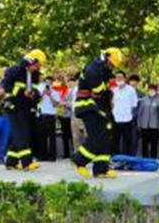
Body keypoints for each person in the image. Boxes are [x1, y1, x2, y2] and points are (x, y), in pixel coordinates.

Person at [72, 48, 121, 177]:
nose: (112, 67)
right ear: (106, 58)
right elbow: (98, 91)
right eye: (111, 64)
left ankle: (101, 169)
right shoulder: (93, 68)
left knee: (105, 137)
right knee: (96, 137)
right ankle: (79, 161)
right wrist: (104, 94)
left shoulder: (103, 69)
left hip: (99, 108)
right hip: (88, 107)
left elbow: (103, 93)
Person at [3, 50, 46, 171]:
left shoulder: (35, 74)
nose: (38, 68)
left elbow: (36, 89)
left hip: (26, 107)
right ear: (31, 61)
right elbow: (7, 87)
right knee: (22, 134)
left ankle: (11, 162)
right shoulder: (14, 71)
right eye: (37, 65)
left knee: (19, 133)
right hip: (13, 105)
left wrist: (34, 94)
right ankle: (26, 162)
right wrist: (23, 92)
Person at [110, 71, 138, 156]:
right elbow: (111, 104)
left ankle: (127, 158)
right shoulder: (113, 91)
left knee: (128, 141)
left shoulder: (131, 90)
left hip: (127, 119)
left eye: (121, 77)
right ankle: (116, 158)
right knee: (115, 141)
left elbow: (134, 104)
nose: (119, 79)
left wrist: (131, 115)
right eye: (117, 78)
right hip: (116, 119)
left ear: (125, 79)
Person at [36, 75, 61, 161]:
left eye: (50, 83)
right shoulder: (40, 91)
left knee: (52, 136)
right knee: (41, 136)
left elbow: (56, 104)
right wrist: (43, 93)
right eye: (46, 83)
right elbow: (37, 101)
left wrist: (50, 95)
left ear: (52, 83)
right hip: (41, 115)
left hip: (50, 115)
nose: (48, 84)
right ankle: (43, 156)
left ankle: (52, 156)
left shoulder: (55, 93)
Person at [137, 82, 159, 158]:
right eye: (150, 90)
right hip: (144, 125)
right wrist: (139, 123)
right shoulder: (144, 99)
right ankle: (144, 157)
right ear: (148, 90)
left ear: (155, 90)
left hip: (154, 126)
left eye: (153, 90)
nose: (151, 91)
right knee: (144, 143)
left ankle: (153, 158)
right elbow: (140, 112)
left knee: (154, 143)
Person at [59, 76, 77, 159]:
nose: (70, 84)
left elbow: (74, 103)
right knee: (65, 135)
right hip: (64, 115)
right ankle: (66, 153)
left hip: (71, 115)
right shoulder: (66, 91)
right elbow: (60, 100)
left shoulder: (75, 91)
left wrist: (65, 103)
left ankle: (74, 151)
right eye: (69, 82)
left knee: (73, 135)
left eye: (71, 82)